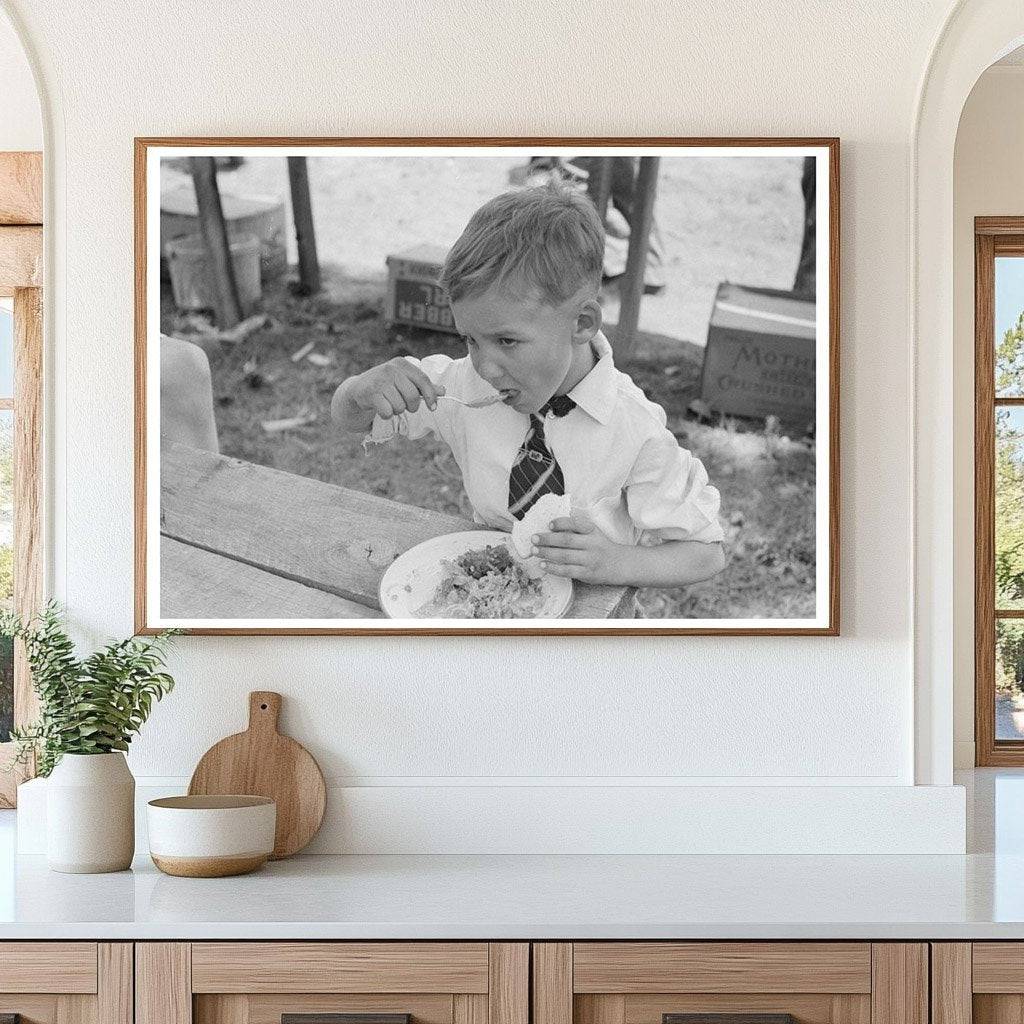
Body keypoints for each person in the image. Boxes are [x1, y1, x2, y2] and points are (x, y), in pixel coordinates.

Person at [331, 181, 724, 590]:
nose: (485, 366)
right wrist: (360, 389)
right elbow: (352, 419)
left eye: (506, 341)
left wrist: (617, 563)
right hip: (490, 599)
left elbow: (705, 552)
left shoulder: (634, 427)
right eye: (470, 339)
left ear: (582, 323)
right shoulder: (463, 387)